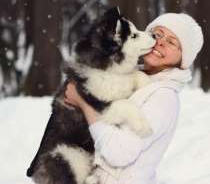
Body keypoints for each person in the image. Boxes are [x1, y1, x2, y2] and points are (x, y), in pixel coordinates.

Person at [64, 13, 203, 184]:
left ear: (183, 61)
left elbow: (119, 153)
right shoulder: (128, 77)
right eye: (158, 34)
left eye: (172, 42)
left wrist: (84, 103)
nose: (160, 42)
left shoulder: (163, 98)